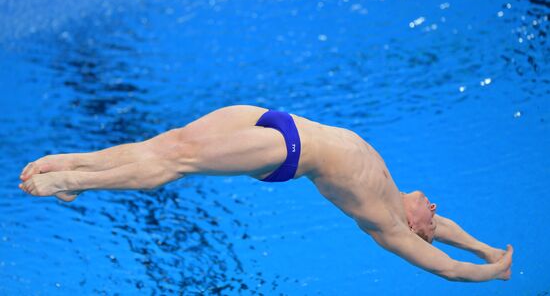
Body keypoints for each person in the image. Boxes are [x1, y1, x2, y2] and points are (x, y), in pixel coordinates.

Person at [18, 105, 513, 282]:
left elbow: (443, 265)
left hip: (290, 150)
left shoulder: (390, 226)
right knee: (162, 145)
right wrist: (488, 248)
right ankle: (67, 163)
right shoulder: (403, 201)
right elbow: (445, 234)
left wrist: (488, 272)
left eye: (432, 220)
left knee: (173, 163)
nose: (437, 211)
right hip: (273, 119)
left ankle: (68, 183)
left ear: (414, 230)